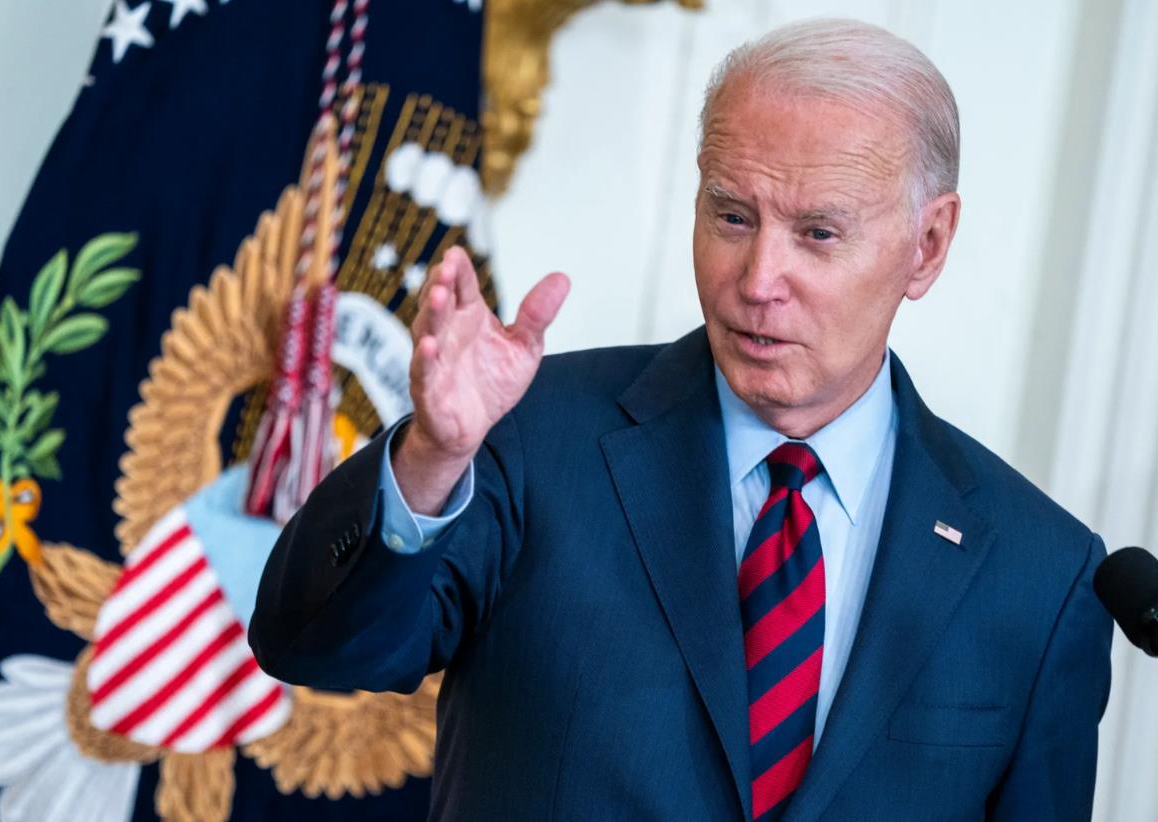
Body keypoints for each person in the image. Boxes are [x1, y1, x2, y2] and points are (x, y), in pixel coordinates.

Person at [250, 18, 1112, 822]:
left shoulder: (1041, 577)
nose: (758, 277)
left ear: (927, 245)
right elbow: (317, 647)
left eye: (817, 233)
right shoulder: (528, 437)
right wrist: (435, 457)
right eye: (731, 216)